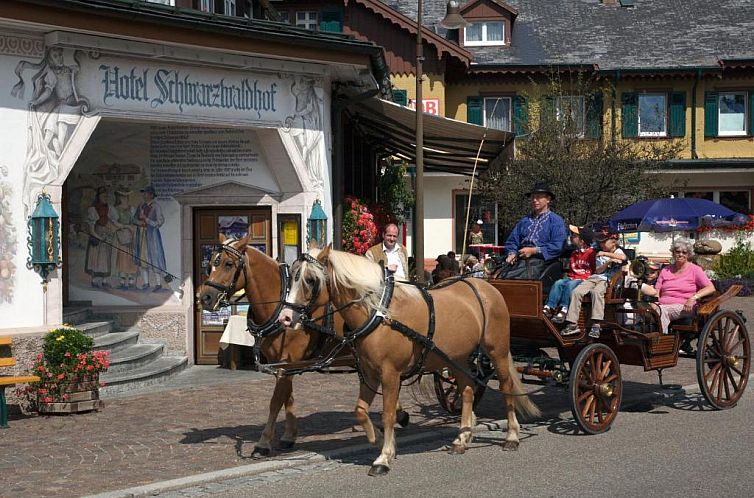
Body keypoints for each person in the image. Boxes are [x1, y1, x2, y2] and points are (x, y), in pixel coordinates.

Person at [641, 238, 716, 334]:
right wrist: (654, 304)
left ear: (688, 255)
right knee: (642, 311)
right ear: (673, 253)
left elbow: (710, 288)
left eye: (684, 252)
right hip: (663, 305)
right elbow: (657, 292)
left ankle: (661, 341)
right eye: (678, 252)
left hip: (685, 307)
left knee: (663, 311)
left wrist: (693, 298)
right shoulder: (665, 270)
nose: (681, 254)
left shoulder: (695, 270)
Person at [561, 232, 627, 338]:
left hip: (608, 281)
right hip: (596, 277)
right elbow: (597, 270)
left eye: (604, 242)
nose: (601, 245)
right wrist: (607, 263)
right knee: (576, 292)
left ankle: (596, 323)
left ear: (614, 242)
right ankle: (573, 323)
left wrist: (607, 255)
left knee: (596, 292)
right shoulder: (599, 253)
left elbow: (623, 258)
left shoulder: (617, 251)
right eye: (600, 242)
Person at [501, 180, 568, 280]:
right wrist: (512, 254)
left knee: (515, 278)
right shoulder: (524, 221)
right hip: (520, 260)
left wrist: (534, 250)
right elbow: (512, 241)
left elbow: (558, 246)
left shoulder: (556, 221)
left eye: (539, 197)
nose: (535, 200)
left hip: (542, 262)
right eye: (533, 197)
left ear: (548, 199)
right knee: (496, 274)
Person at [543, 225, 596, 323]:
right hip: (573, 277)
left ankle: (564, 308)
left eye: (574, 235)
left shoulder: (592, 253)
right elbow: (572, 269)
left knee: (570, 285)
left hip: (585, 279)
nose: (571, 237)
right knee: (558, 282)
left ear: (582, 241)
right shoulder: (574, 253)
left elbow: (594, 269)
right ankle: (549, 307)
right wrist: (571, 276)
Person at [132, 186, 168, 291]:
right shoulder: (141, 206)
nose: (144, 195)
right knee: (143, 259)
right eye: (144, 193)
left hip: (152, 236)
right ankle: (146, 283)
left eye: (146, 193)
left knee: (155, 258)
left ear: (151, 194)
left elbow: (159, 222)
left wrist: (146, 220)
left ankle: (158, 284)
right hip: (141, 235)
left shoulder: (156, 207)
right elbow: (134, 219)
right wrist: (140, 222)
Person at [85, 186, 116, 288]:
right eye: (103, 196)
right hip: (96, 236)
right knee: (95, 258)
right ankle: (94, 281)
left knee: (105, 258)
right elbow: (91, 229)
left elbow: (112, 222)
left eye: (106, 196)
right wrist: (98, 237)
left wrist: (110, 232)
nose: (105, 198)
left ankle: (104, 280)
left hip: (106, 236)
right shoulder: (93, 209)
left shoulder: (110, 208)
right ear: (98, 197)